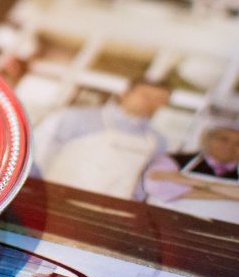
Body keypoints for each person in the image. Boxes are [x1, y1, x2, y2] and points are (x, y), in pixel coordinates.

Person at [30, 78, 171, 199]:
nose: (151, 103)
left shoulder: (157, 141)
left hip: (108, 213)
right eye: (146, 96)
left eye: (160, 100)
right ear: (124, 93)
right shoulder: (74, 117)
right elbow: (36, 153)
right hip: (52, 199)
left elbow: (142, 184)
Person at [142, 124, 239, 226]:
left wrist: (197, 183)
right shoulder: (174, 160)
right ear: (207, 140)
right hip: (166, 229)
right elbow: (155, 186)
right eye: (223, 139)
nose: (230, 146)